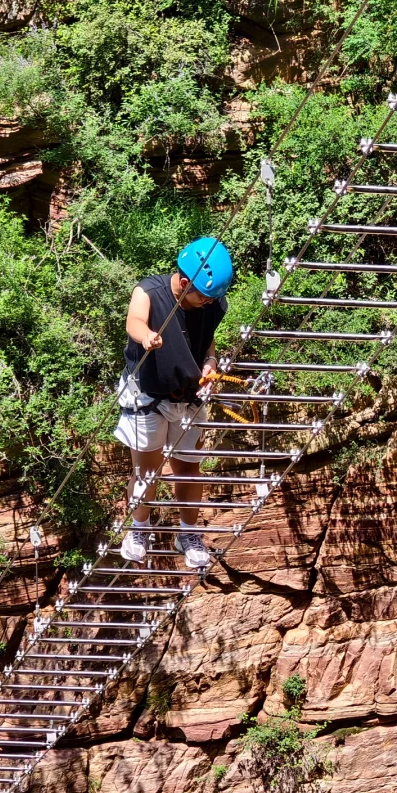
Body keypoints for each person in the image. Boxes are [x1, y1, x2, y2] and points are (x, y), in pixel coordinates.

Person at [115, 236, 234, 568]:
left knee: (188, 469)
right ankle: (139, 529)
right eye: (205, 297)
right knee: (147, 469)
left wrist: (211, 365)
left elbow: (207, 346)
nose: (210, 303)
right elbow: (134, 321)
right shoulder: (149, 292)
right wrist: (146, 336)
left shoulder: (211, 306)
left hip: (188, 397)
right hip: (147, 394)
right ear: (184, 283)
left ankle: (188, 533)